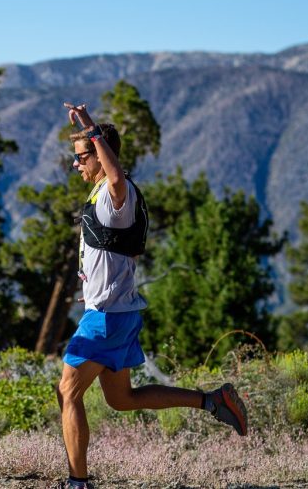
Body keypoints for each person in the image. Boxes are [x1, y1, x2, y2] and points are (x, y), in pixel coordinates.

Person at [54, 103, 249, 489]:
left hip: (107, 317)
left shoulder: (114, 194)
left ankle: (78, 483)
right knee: (122, 399)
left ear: (99, 152)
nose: (76, 165)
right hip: (115, 311)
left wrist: (91, 126)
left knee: (67, 393)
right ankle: (212, 401)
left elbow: (115, 177)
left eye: (81, 158)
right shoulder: (101, 199)